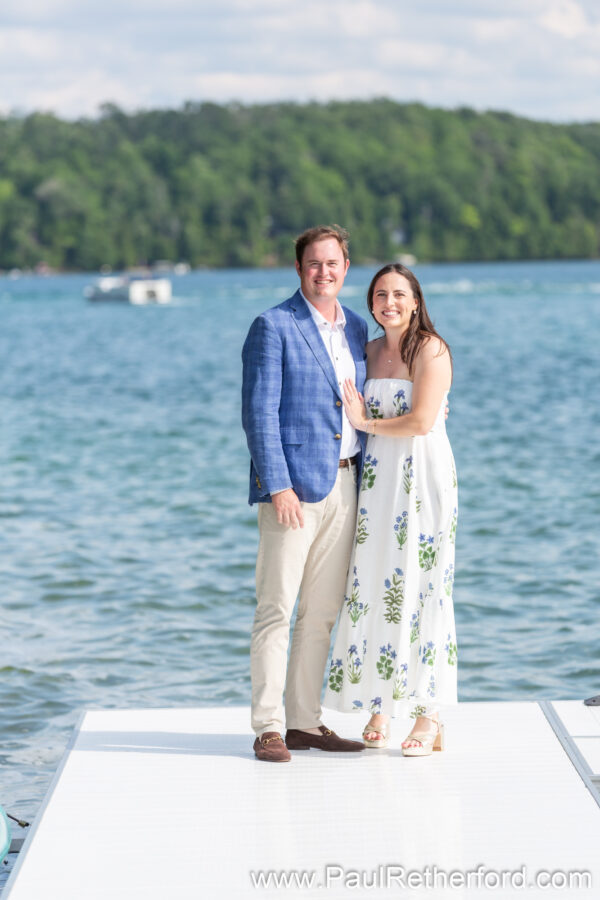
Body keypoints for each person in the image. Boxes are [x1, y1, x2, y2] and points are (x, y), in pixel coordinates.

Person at [241, 225, 368, 762]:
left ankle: (304, 722)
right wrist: (278, 486)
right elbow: (258, 413)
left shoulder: (358, 328)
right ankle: (268, 726)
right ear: (299, 269)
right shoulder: (273, 325)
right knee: (277, 608)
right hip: (292, 490)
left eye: (333, 263)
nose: (324, 272)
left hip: (347, 482)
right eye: (314, 264)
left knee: (320, 613)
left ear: (345, 267)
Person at [323, 263, 458, 756]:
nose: (390, 303)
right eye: (381, 294)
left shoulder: (431, 350)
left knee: (423, 589)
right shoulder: (369, 350)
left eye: (399, 294)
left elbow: (422, 421)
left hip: (422, 479)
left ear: (416, 301)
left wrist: (366, 422)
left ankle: (428, 715)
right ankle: (381, 703)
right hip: (377, 483)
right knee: (377, 583)